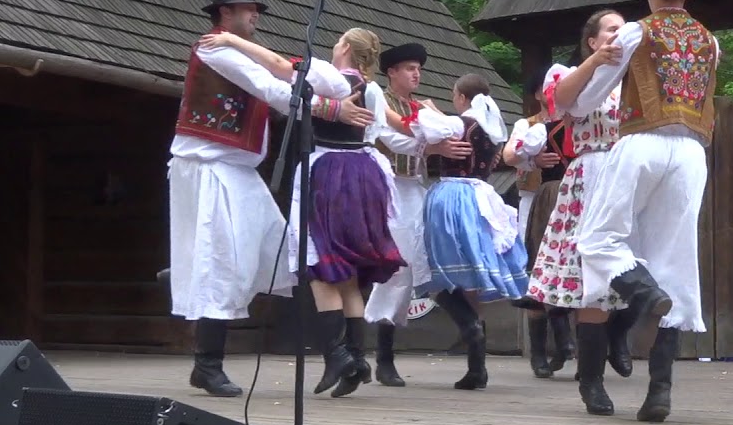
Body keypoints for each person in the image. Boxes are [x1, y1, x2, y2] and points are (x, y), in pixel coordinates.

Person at [169, 0, 373, 397]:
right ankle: (207, 364)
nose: (255, 15)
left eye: (255, 9)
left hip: (238, 172)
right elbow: (275, 92)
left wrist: (327, 93)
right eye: (248, 9)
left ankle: (337, 354)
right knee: (217, 262)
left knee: (284, 251)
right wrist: (333, 108)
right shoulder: (213, 48)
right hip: (207, 168)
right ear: (224, 14)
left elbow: (310, 79)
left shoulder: (246, 52)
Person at [197, 27, 408, 397]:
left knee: (318, 263)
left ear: (344, 47)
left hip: (329, 171)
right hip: (362, 171)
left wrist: (231, 41)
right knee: (346, 273)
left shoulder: (329, 74)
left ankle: (338, 355)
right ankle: (356, 357)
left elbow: (278, 65)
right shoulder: (372, 90)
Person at [555, 0, 717, 421]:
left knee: (597, 238)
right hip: (691, 153)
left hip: (641, 141)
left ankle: (644, 294)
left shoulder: (636, 31)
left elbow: (582, 103)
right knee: (676, 262)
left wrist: (596, 65)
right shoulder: (710, 41)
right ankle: (659, 393)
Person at [392, 74, 528, 389]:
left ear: (461, 97)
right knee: (469, 280)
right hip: (483, 197)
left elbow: (420, 130)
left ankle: (470, 329)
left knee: (434, 271)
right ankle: (476, 366)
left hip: (452, 196)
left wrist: (427, 112)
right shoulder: (493, 127)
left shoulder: (456, 124)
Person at [529, 9, 638, 379]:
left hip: (627, 172)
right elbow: (559, 100)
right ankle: (587, 353)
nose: (619, 35)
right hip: (590, 170)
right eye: (611, 30)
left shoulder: (636, 79)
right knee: (583, 264)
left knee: (635, 259)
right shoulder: (565, 71)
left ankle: (619, 333)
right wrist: (596, 61)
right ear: (592, 40)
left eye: (624, 30)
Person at [363, 44, 471, 387]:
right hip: (386, 187)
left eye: (418, 69)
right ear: (391, 72)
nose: (416, 74)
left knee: (426, 260)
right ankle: (382, 357)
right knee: (396, 267)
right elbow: (390, 138)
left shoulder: (421, 107)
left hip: (415, 188)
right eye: (409, 68)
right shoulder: (377, 98)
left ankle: (471, 335)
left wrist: (438, 125)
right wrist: (434, 144)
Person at [503, 77, 575, 378]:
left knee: (567, 267)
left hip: (571, 200)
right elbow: (509, 156)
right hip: (535, 201)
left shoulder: (579, 117)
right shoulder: (528, 124)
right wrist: (533, 157)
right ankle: (539, 353)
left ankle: (563, 342)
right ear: (539, 93)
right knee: (537, 268)